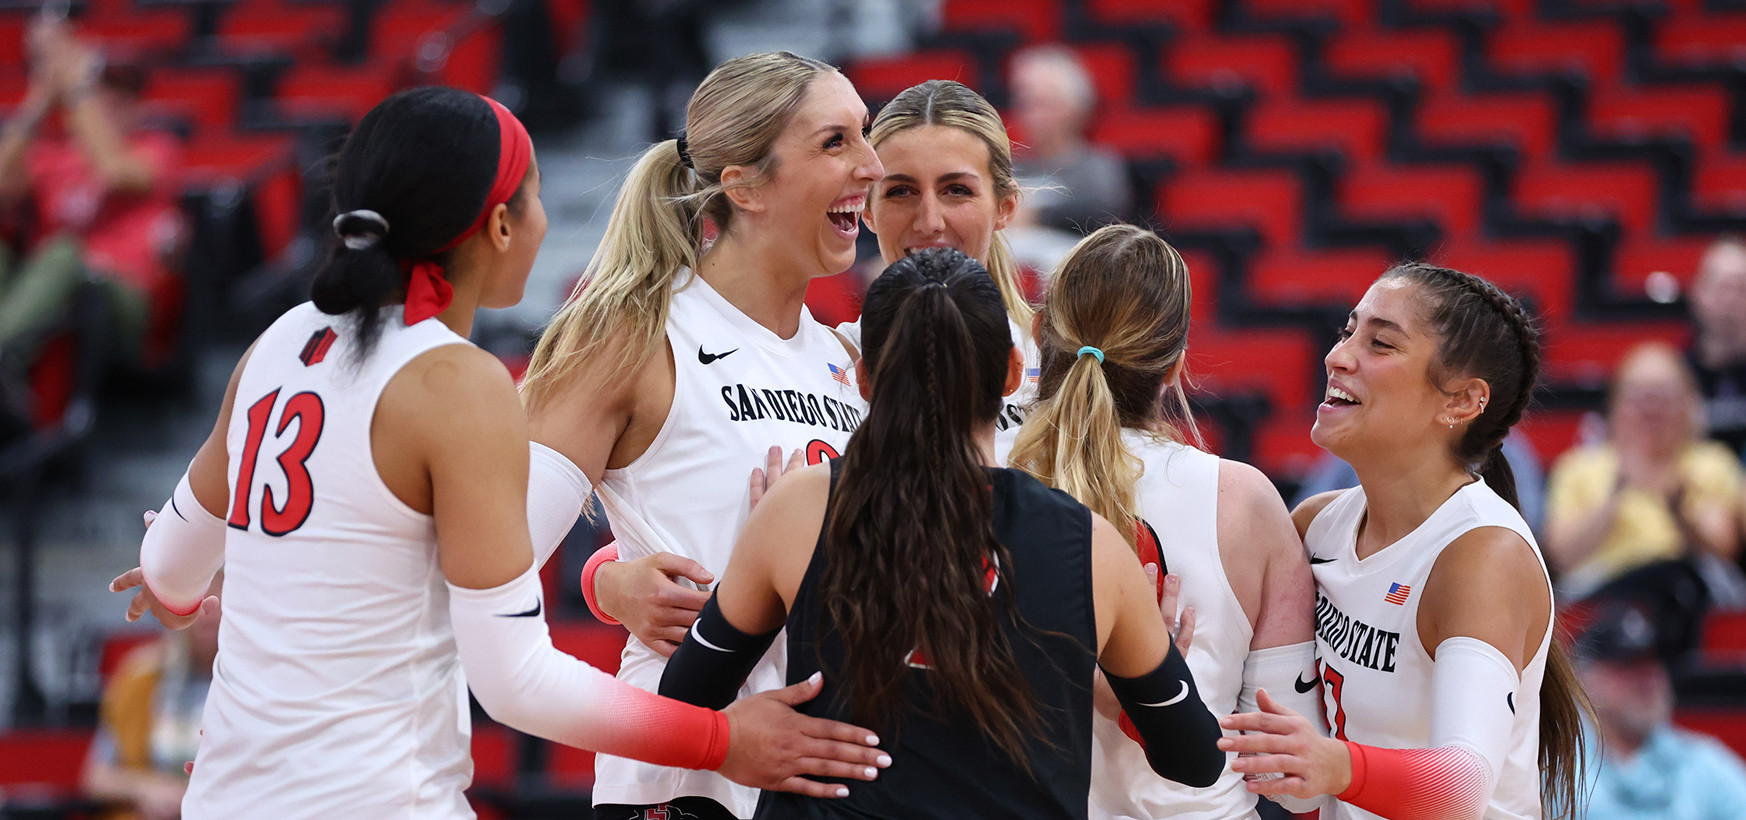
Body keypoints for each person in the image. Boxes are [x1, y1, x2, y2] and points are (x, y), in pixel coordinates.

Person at [107, 86, 886, 819]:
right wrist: (724, 738)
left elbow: (171, 567)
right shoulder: (458, 381)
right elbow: (512, 678)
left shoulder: (274, 346)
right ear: (501, 226)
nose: (546, 220)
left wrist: (207, 594)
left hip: (227, 794)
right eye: (537, 196)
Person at [657, 248, 1227, 819]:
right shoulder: (1092, 546)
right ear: (1010, 373)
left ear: (861, 379)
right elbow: (1196, 761)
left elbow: (680, 702)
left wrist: (730, 739)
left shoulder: (796, 509)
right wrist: (1151, 691)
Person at [516, 52, 883, 820]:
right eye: (835, 142)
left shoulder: (849, 361)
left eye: (866, 136)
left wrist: (608, 575)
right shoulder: (633, 331)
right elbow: (492, 567)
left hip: (824, 785)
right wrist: (608, 583)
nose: (871, 165)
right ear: (744, 185)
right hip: (681, 787)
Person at [1220, 263, 1590, 820]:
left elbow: (1462, 789)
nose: (1337, 356)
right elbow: (1296, 782)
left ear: (1462, 402)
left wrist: (1338, 766)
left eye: (1381, 343)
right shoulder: (1316, 526)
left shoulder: (1482, 554)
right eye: (1348, 331)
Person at [1008, 224, 1323, 820]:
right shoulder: (1245, 499)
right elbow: (1289, 769)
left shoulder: (983, 474)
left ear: (1039, 333)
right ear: (1175, 365)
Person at [855, 78, 1039, 461]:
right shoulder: (822, 365)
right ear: (866, 210)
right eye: (901, 191)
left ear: (1005, 206)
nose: (929, 222)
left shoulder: (1059, 370)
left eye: (956, 190)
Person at [0, 17, 183, 370]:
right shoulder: (55, 157)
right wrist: (42, 97)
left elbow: (113, 172)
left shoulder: (157, 148)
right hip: (52, 299)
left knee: (64, 253)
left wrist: (78, 87)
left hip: (124, 297)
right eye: (104, 92)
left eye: (124, 97)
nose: (112, 104)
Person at [1543, 342, 1745, 604]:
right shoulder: (1578, 466)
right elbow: (1559, 557)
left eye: (1664, 396)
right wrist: (1614, 496)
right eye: (1640, 396)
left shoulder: (1712, 463)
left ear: (1689, 404)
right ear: (1615, 404)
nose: (1651, 408)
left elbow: (1725, 548)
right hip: (1604, 597)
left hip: (1691, 594)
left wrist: (1679, 510)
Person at [1574, 600, 1746, 820]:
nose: (1647, 681)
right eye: (1628, 665)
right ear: (1584, 678)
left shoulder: (1700, 761)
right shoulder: (1553, 763)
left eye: (1654, 664)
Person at [82, 574, 221, 820]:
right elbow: (96, 778)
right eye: (200, 600)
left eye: (223, 600)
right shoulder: (140, 678)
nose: (210, 613)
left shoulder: (264, 686)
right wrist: (145, 788)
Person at [1007, 45, 1132, 234]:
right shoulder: (1011, 167)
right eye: (1026, 105)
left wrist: (1036, 215)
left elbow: (1106, 215)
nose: (1034, 117)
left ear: (1075, 109)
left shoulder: (1098, 166)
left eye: (1045, 104)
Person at [1687, 235, 1746, 456]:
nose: (1731, 299)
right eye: (1723, 287)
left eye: (1742, 289)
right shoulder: (1674, 378)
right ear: (1698, 293)